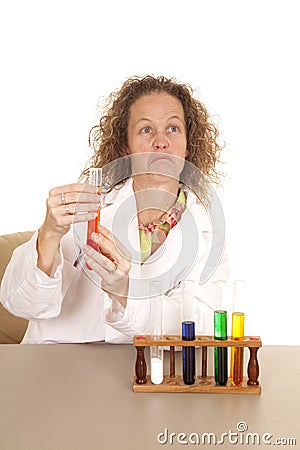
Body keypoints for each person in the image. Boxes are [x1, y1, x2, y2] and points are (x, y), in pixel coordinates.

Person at [0, 75, 229, 344]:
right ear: (125, 146)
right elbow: (20, 305)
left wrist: (124, 291)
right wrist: (49, 235)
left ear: (189, 145)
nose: (161, 141)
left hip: (134, 371)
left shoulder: (206, 230)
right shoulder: (88, 205)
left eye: (173, 128)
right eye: (146, 129)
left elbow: (201, 327)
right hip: (57, 363)